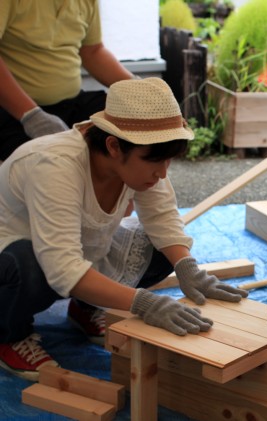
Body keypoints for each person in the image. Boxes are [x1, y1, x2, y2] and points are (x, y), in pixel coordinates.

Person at [0, 77, 248, 381]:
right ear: (114, 145)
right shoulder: (54, 165)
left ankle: (85, 307)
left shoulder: (137, 158)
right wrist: (142, 302)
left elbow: (163, 218)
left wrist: (187, 268)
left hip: (72, 248)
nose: (162, 173)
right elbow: (62, 267)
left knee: (162, 250)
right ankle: (9, 335)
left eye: (169, 161)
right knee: (28, 266)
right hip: (15, 256)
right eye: (155, 161)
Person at [0, 0, 136, 161]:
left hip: (71, 104)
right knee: (44, 162)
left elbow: (92, 51)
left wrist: (137, 87)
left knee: (133, 119)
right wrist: (31, 116)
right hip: (13, 111)